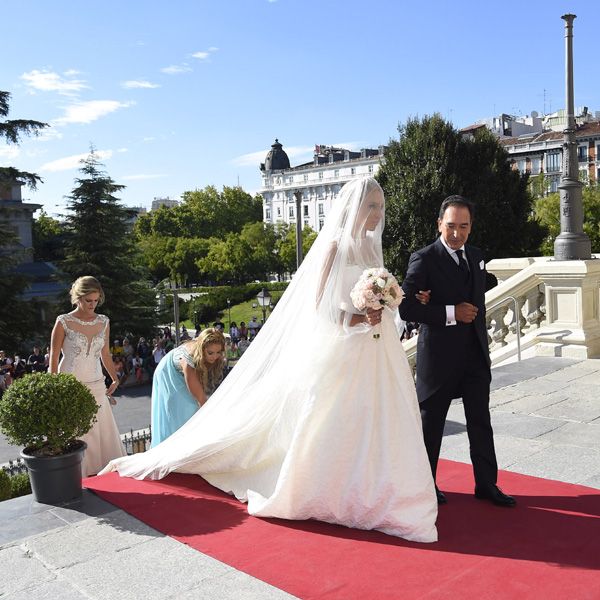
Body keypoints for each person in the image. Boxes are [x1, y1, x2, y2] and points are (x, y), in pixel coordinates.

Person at [101, 178, 438, 543]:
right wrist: (359, 318)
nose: (377, 214)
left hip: (375, 348)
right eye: (370, 206)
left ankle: (382, 486)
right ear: (352, 208)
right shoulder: (334, 248)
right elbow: (320, 309)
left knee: (377, 417)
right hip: (341, 350)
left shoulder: (372, 253)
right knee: (331, 419)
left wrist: (386, 305)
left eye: (379, 206)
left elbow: (383, 304)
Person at [399, 195, 515, 508]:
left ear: (471, 227)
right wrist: (451, 312)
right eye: (451, 226)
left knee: (480, 421)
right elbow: (407, 306)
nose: (456, 233)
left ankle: (487, 484)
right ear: (439, 224)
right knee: (431, 425)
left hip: (475, 355)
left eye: (463, 226)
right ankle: (425, 486)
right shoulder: (423, 258)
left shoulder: (476, 255)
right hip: (438, 358)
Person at [49, 276, 126, 476]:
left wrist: (115, 378)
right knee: (75, 432)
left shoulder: (104, 321)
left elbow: (105, 354)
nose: (92, 305)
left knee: (102, 430)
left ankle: (101, 474)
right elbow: (54, 359)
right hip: (70, 385)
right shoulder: (63, 322)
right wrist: (55, 387)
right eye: (88, 301)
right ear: (77, 298)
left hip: (97, 383)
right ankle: (77, 474)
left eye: (95, 300)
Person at [150, 328, 225, 447]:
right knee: (186, 409)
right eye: (210, 353)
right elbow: (200, 398)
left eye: (218, 352)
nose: (215, 357)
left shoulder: (203, 351)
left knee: (192, 408)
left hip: (182, 372)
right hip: (168, 373)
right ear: (202, 349)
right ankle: (174, 447)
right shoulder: (189, 360)